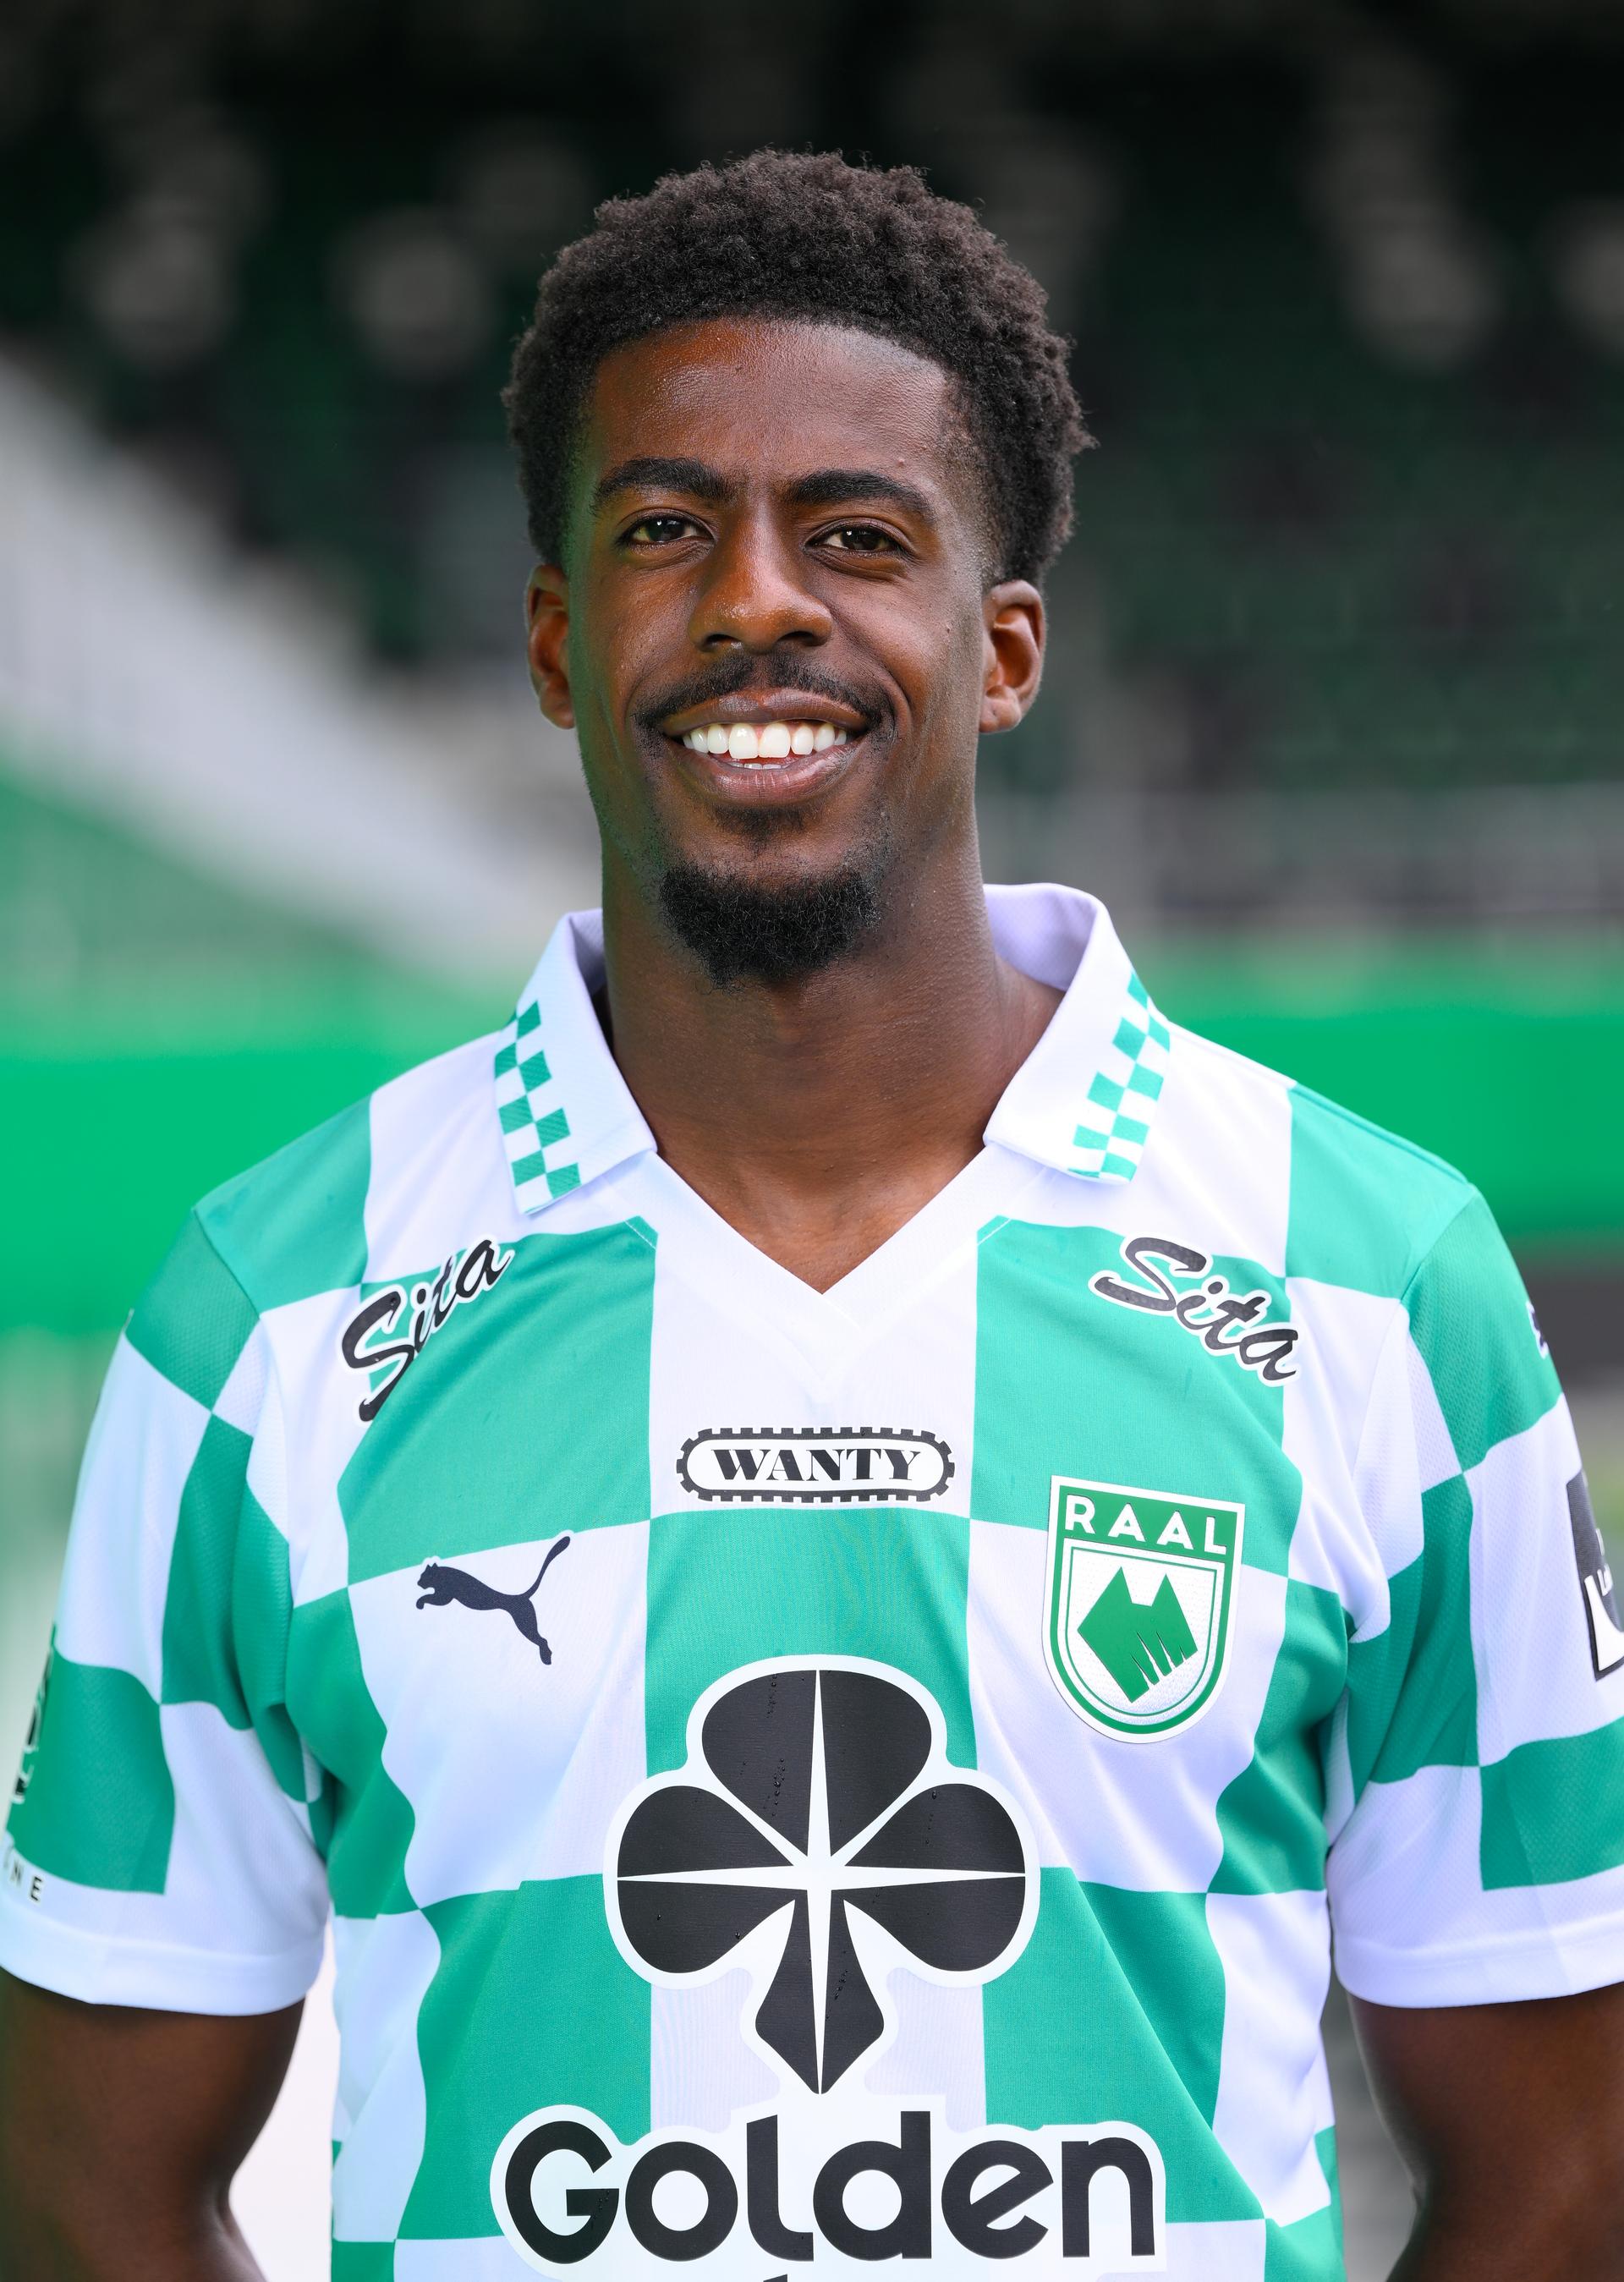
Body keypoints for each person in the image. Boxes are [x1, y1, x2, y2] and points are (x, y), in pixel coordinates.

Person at [3, 149, 1622, 2282]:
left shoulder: (1379, 1284)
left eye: (857, 534)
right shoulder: (272, 1310)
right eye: (665, 529)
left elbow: (1570, 2170)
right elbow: (80, 2183)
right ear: (556, 641)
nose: (758, 598)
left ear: (1005, 647)